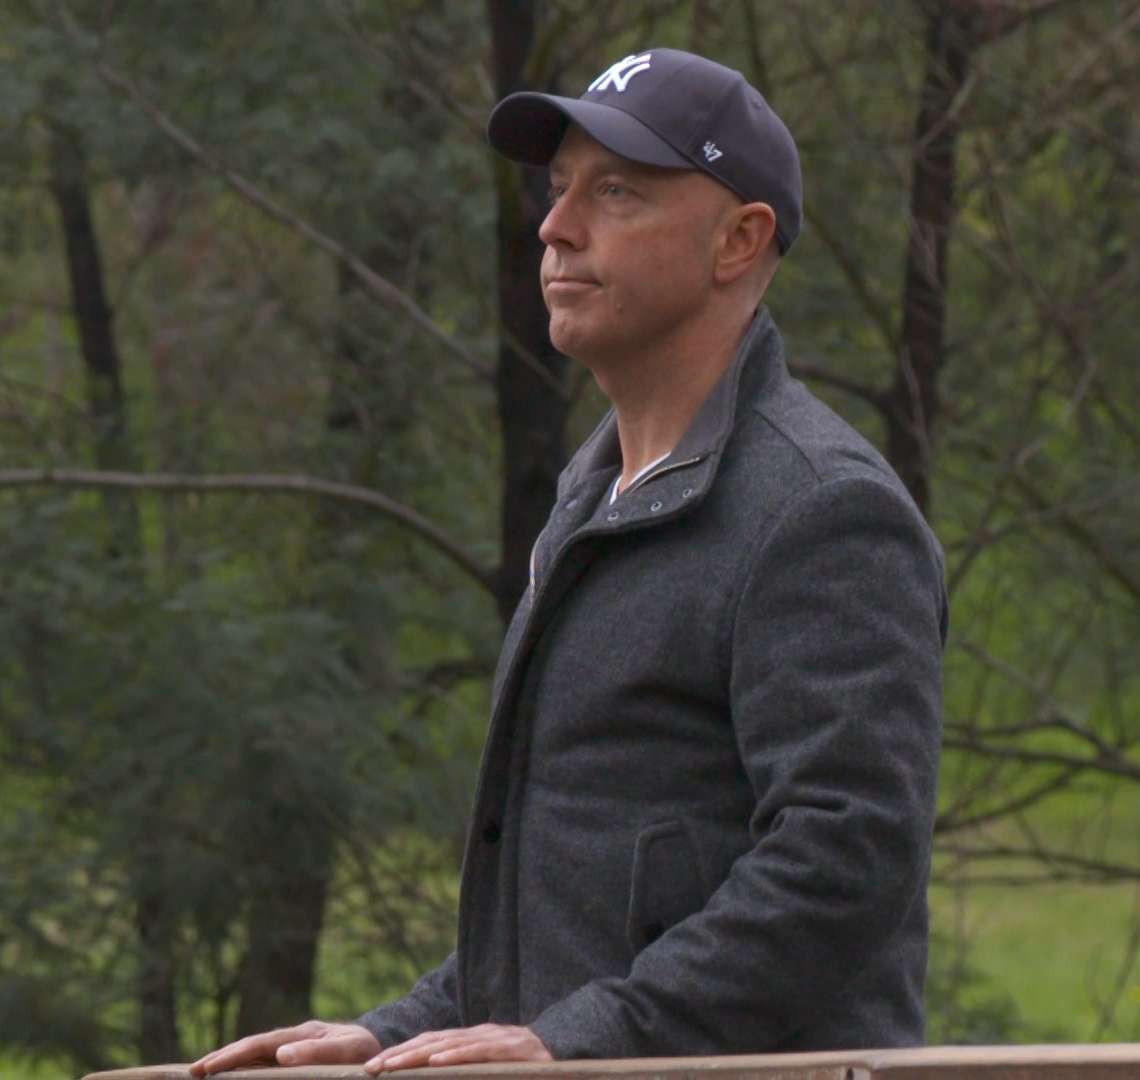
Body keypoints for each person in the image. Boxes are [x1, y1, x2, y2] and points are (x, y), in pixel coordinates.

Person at [191, 47, 946, 1075]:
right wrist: (396, 1033)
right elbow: (567, 898)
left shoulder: (822, 511)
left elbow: (844, 865)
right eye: (557, 191)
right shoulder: (590, 506)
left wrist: (585, 1039)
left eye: (618, 191)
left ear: (739, 239)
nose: (555, 226)